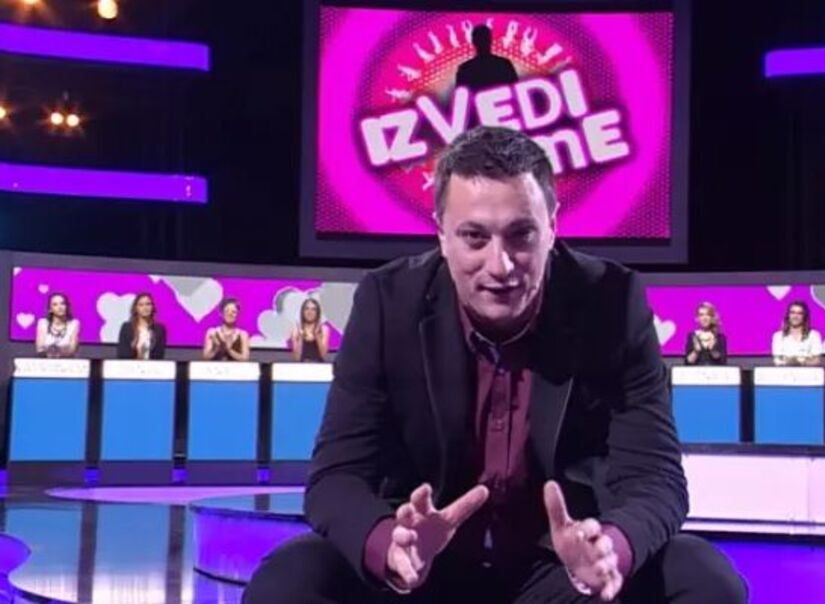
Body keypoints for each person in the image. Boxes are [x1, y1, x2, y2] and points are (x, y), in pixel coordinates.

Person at [244, 126, 745, 603]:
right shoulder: (387, 303)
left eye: (521, 235)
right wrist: (390, 544)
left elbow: (656, 477)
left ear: (553, 227)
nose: (500, 265)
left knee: (702, 579)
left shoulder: (612, 302)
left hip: (563, 575)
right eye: (474, 237)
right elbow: (336, 476)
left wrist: (610, 548)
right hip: (422, 575)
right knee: (291, 579)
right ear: (442, 235)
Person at [456, 24, 519, 93]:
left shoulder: (465, 69)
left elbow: (461, 95)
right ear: (490, 40)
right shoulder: (504, 64)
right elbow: (515, 91)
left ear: (473, 41)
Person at [116, 293, 167, 360]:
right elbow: (123, 354)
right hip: (130, 365)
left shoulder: (159, 329)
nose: (145, 308)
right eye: (141, 305)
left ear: (152, 307)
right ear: (136, 308)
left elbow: (159, 355)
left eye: (148, 304)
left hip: (152, 365)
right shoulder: (127, 328)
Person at [771, 301, 822, 366]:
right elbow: (777, 361)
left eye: (799, 313)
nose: (795, 316)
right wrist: (803, 359)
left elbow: (816, 360)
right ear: (788, 315)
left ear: (804, 316)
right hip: (785, 371)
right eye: (792, 312)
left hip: (807, 371)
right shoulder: (778, 336)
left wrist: (796, 361)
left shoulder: (814, 335)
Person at [34, 292, 80, 358]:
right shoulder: (43, 323)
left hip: (67, 361)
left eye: (62, 303)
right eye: (55, 304)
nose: (60, 307)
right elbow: (40, 349)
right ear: (50, 309)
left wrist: (52, 350)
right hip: (46, 361)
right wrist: (61, 350)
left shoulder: (74, 324)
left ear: (67, 306)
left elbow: (72, 350)